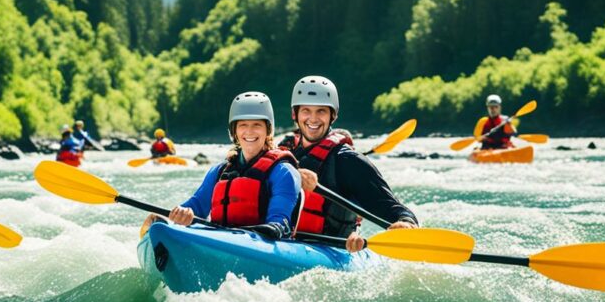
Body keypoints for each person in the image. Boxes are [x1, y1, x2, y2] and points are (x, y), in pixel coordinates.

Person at [279, 76, 418, 252]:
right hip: (285, 240)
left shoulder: (348, 161)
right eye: (306, 110)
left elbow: (394, 209)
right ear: (294, 114)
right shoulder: (284, 153)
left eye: (321, 111)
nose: (313, 119)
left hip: (332, 250)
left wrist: (406, 223)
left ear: (333, 115)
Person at [142, 92, 302, 239]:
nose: (250, 131)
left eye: (257, 125)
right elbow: (197, 205)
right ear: (234, 132)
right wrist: (182, 213)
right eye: (243, 125)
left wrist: (273, 228)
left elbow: (279, 220)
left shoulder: (283, 171)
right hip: (222, 241)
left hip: (260, 245)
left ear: (268, 130)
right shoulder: (219, 172)